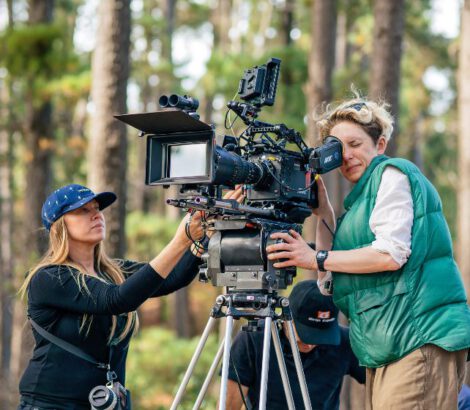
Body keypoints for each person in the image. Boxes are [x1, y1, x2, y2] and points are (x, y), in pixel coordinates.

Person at [266, 97, 470, 409]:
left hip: (418, 336)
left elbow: (390, 255)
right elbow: (328, 282)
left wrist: (315, 257)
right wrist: (324, 214)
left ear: (380, 144)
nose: (347, 155)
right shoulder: (358, 207)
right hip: (389, 343)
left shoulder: (393, 174)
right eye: (338, 148)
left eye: (355, 144)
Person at [18, 183, 205, 409]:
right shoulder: (49, 278)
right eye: (83, 210)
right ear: (60, 225)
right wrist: (181, 240)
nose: (96, 215)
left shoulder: (113, 272)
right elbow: (116, 300)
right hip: (49, 404)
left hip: (102, 404)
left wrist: (203, 236)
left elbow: (173, 277)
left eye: (97, 208)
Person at [224, 280, 365, 410]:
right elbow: (229, 405)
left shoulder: (345, 341)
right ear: (286, 318)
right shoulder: (254, 337)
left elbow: (374, 382)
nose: (311, 344)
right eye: (307, 334)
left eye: (320, 336)